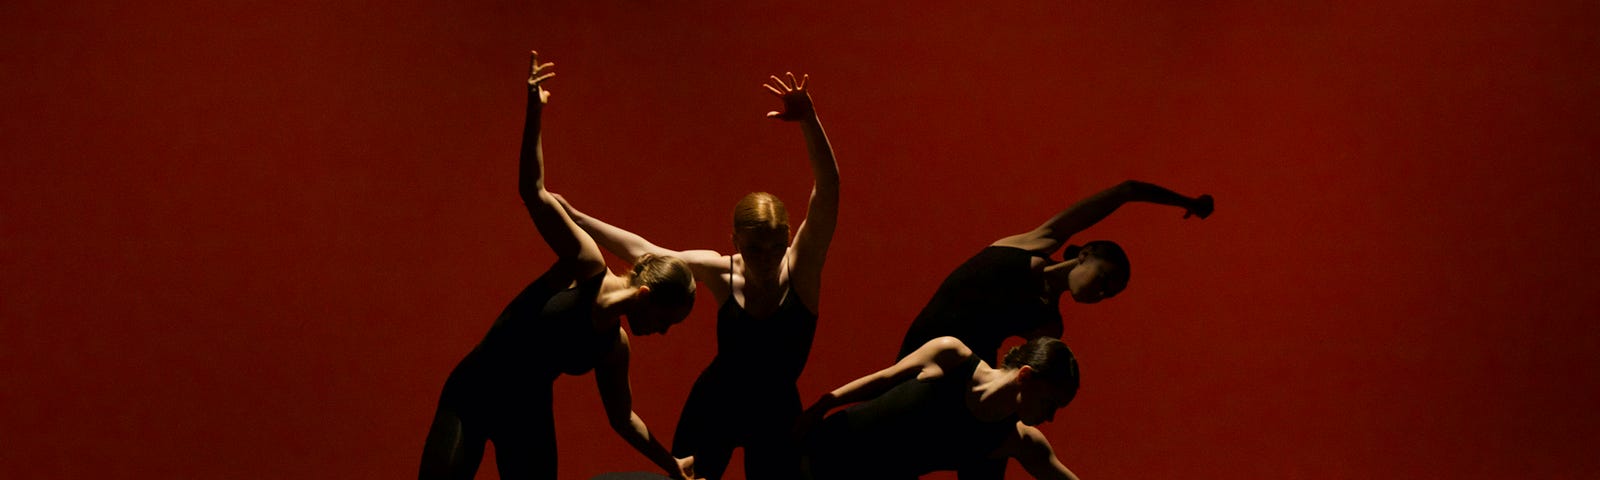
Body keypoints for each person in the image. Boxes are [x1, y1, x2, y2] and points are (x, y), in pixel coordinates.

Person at [417, 51, 701, 480]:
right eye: (666, 321)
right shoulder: (584, 264)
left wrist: (670, 464)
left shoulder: (613, 348)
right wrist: (534, 113)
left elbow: (622, 419)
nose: (662, 333)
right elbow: (533, 191)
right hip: (474, 391)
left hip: (526, 416)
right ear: (645, 294)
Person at [557, 72, 839, 480]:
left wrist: (809, 120)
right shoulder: (721, 271)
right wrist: (578, 217)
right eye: (754, 247)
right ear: (736, 241)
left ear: (788, 238)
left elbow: (828, 189)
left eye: (777, 245)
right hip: (716, 403)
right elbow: (646, 253)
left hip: (776, 412)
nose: (767, 257)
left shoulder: (802, 269)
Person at [899, 180, 1215, 365]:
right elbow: (1127, 191)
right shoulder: (1036, 243)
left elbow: (1016, 373)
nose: (1099, 293)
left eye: (1107, 294)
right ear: (1086, 255)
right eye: (1103, 279)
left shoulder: (1049, 322)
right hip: (923, 338)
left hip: (960, 366)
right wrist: (1187, 202)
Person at [797, 336, 1084, 480]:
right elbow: (883, 379)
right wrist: (823, 405)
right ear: (1025, 375)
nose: (1050, 417)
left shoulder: (1018, 440)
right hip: (827, 450)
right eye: (1050, 403)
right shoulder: (952, 356)